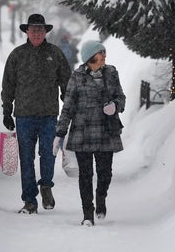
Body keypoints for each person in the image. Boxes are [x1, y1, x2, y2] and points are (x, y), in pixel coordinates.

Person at [1, 13, 72, 214]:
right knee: (26, 158)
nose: (37, 33)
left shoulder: (55, 54)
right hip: (23, 116)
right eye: (33, 30)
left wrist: (68, 107)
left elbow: (66, 83)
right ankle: (30, 201)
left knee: (48, 154)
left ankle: (46, 185)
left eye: (40, 30)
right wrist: (7, 110)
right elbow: (8, 85)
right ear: (27, 32)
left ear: (45, 32)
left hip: (49, 115)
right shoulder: (17, 55)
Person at [53, 40, 125, 226]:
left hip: (106, 130)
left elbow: (121, 97)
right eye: (101, 53)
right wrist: (60, 133)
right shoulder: (77, 76)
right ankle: (88, 214)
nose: (104, 56)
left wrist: (115, 106)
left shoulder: (111, 73)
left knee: (105, 173)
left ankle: (101, 197)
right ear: (91, 57)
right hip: (82, 131)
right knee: (85, 175)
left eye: (104, 53)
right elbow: (67, 106)